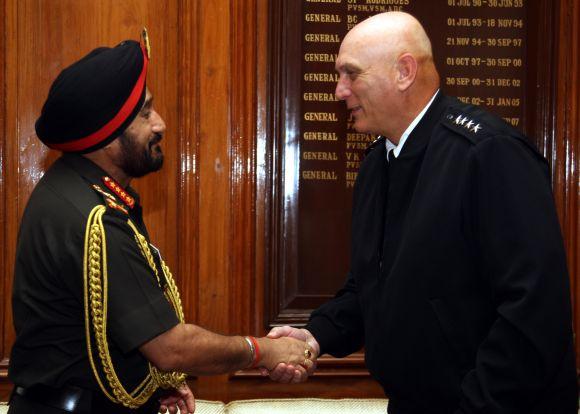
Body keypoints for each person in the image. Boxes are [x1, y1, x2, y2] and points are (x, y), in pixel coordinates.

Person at [267, 11, 578, 414]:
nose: (339, 90)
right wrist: (314, 337)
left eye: (351, 74)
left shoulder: (488, 153)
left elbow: (534, 313)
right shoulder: (377, 164)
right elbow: (371, 289)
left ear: (404, 71)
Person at [8, 32, 313, 414]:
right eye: (145, 113)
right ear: (107, 131)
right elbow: (171, 347)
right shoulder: (96, 217)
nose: (161, 124)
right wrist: (265, 350)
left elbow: (98, 333)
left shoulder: (70, 192)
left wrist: (152, 386)